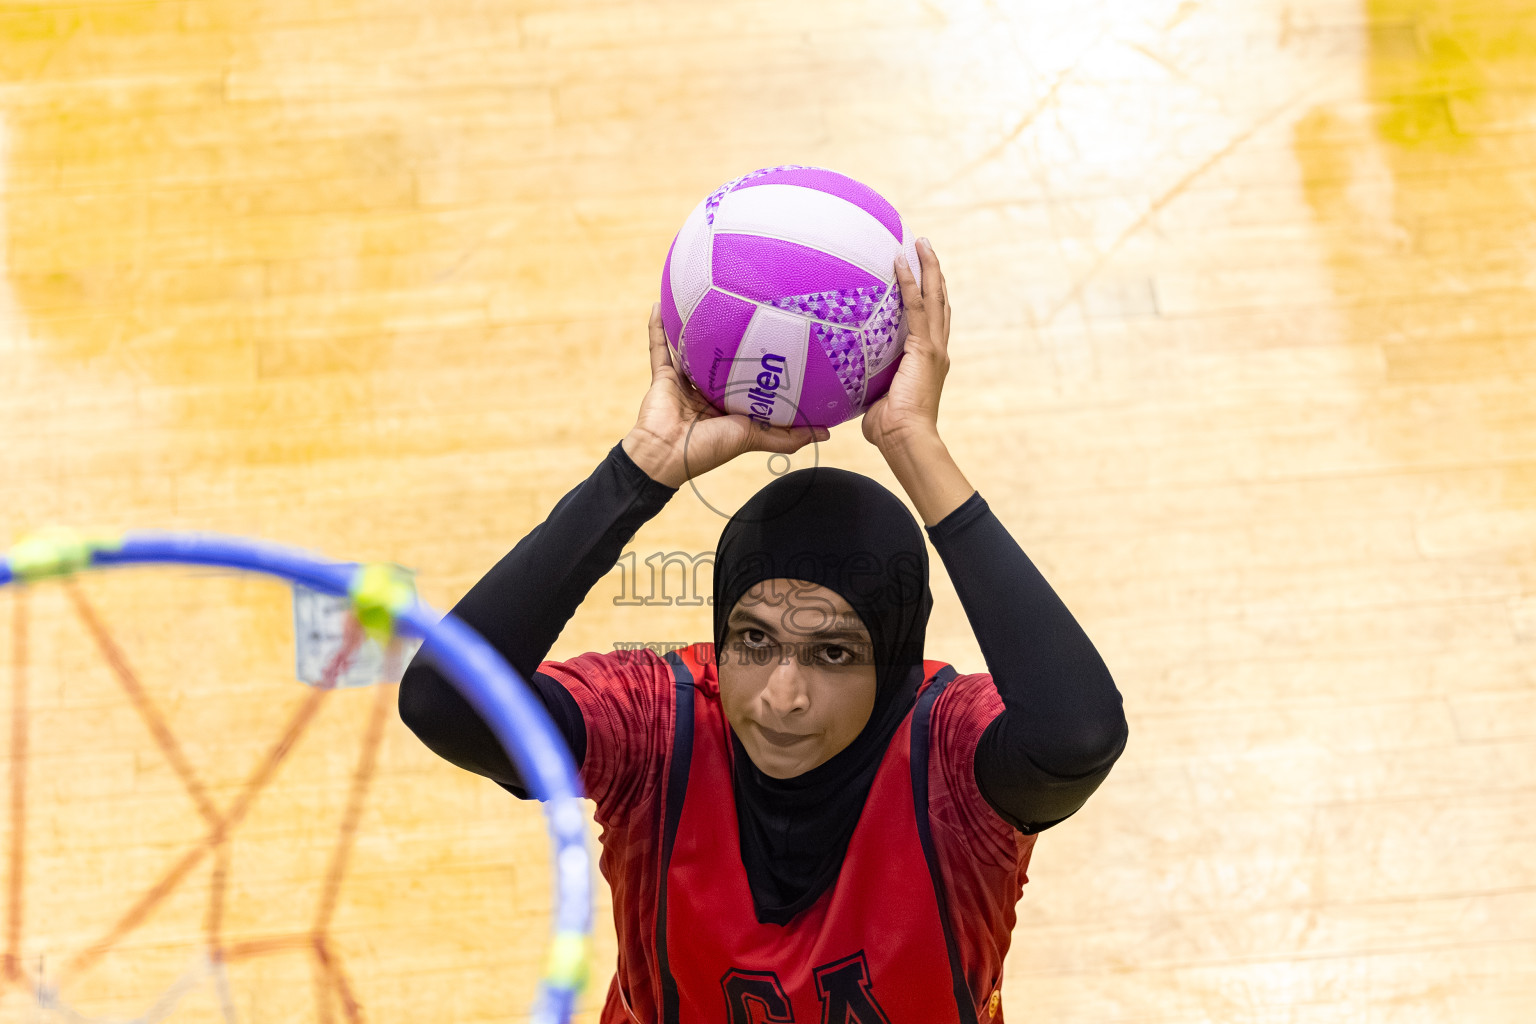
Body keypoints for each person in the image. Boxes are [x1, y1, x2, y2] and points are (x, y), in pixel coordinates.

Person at [398, 239, 1127, 1023]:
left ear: (897, 660)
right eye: (753, 640)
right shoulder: (659, 725)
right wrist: (640, 468)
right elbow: (446, 699)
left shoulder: (949, 761)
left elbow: (1076, 733)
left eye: (834, 653)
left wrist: (914, 444)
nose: (782, 695)